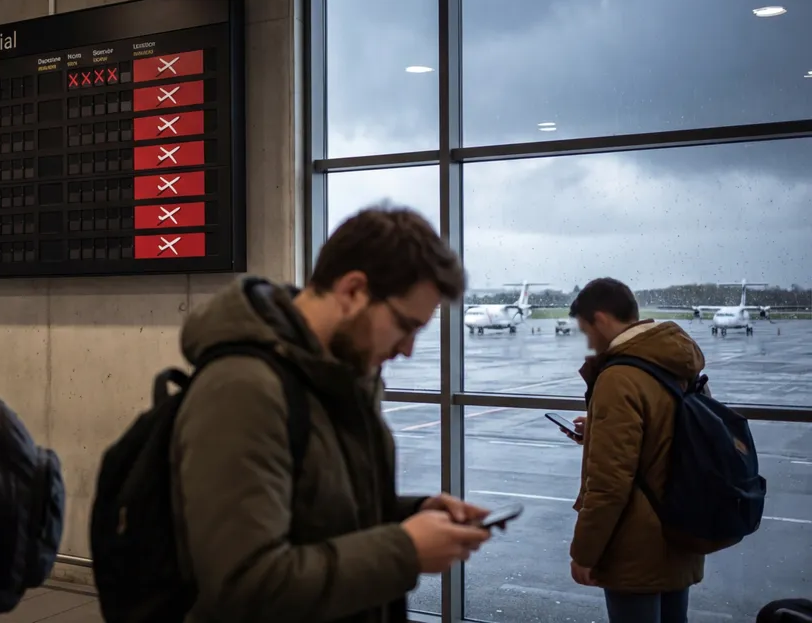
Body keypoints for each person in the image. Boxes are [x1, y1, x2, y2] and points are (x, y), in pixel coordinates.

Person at [170, 205, 493, 623]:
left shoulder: (338, 378)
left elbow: (314, 512)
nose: (408, 349)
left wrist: (410, 515)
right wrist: (404, 549)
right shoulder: (242, 389)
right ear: (353, 291)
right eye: (406, 325)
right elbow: (245, 586)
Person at [565, 277, 705, 623]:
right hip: (680, 527)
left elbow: (610, 482)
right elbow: (672, 437)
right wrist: (599, 430)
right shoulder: (673, 361)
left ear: (600, 319)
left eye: (585, 331)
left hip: (635, 544)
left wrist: (585, 552)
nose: (587, 342)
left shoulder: (619, 376)